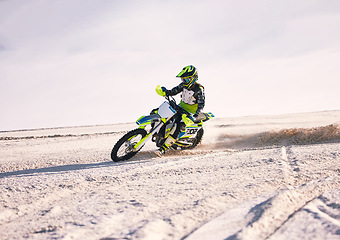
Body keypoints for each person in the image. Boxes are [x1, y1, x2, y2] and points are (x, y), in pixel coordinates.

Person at [155, 65, 205, 156]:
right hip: (180, 107)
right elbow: (173, 91)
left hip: (189, 113)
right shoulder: (183, 85)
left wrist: (194, 116)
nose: (184, 82)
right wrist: (165, 92)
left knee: (178, 126)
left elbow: (201, 105)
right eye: (182, 79)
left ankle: (163, 149)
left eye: (186, 80)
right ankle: (159, 134)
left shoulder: (199, 89)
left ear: (193, 78)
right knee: (163, 115)